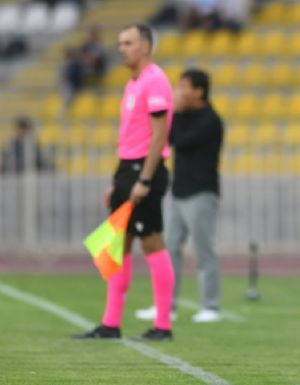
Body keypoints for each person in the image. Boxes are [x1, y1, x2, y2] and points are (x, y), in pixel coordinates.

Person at [73, 24, 175, 341]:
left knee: (152, 242)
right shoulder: (133, 83)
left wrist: (144, 178)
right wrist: (116, 181)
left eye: (128, 43)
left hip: (145, 170)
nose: (122, 49)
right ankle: (110, 323)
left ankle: (162, 325)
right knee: (117, 245)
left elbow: (159, 134)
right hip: (127, 170)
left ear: (145, 46)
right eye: (119, 43)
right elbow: (132, 136)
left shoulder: (154, 79)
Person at [135, 68, 224, 323]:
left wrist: (171, 112)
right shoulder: (182, 116)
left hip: (201, 192)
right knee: (170, 249)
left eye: (184, 87)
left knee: (203, 250)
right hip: (179, 192)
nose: (178, 92)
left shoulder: (210, 120)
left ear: (199, 91)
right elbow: (165, 137)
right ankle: (167, 306)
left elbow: (179, 140)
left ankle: (211, 305)